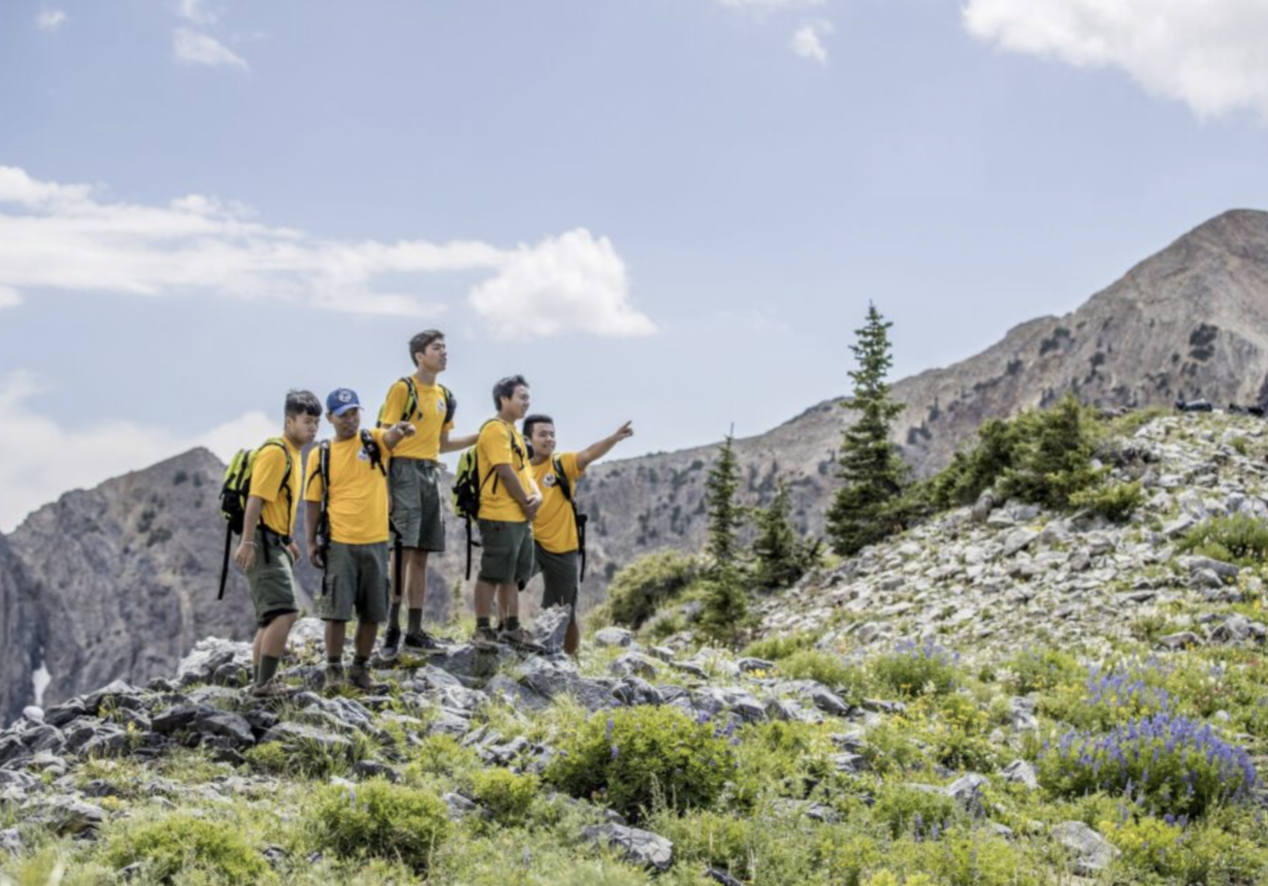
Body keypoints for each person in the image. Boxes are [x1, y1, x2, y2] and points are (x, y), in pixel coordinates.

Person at [304, 388, 415, 690]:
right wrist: (311, 541)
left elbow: (391, 436)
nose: (350, 420)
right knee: (336, 612)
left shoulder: (373, 439)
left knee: (373, 611)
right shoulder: (320, 454)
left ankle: (360, 669)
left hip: (378, 542)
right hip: (340, 542)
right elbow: (312, 501)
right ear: (330, 418)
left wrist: (400, 429)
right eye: (343, 415)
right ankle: (333, 671)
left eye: (354, 413)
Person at [377, 330, 477, 658]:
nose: (444, 353)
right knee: (401, 552)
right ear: (420, 355)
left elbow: (443, 444)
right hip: (403, 471)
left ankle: (415, 631)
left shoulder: (445, 395)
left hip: (431, 472)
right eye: (437, 348)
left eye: (445, 348)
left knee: (421, 554)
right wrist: (387, 489)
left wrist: (480, 436)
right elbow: (386, 439)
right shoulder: (402, 389)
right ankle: (392, 627)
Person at [234, 389, 322, 698]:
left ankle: (261, 681)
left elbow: (278, 503)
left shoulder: (293, 453)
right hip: (262, 542)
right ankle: (264, 685)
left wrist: (289, 540)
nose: (313, 428)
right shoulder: (276, 452)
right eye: (307, 421)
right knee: (285, 612)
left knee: (271, 616)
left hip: (274, 541)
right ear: (289, 421)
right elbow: (256, 499)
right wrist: (248, 541)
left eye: (316, 423)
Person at [525, 416, 634, 656]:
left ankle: (571, 661)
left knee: (566, 610)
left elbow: (589, 454)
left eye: (552, 434)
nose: (549, 439)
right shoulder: (519, 470)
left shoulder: (561, 463)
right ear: (528, 439)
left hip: (564, 548)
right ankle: (504, 634)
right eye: (542, 434)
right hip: (531, 544)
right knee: (506, 580)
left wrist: (614, 439)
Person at [472, 375, 540, 647]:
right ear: (504, 399)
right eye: (522, 397)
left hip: (520, 517)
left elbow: (525, 472)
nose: (527, 402)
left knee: (511, 574)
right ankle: (482, 629)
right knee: (491, 572)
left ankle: (511, 627)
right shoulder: (495, 429)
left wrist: (536, 496)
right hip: (499, 514)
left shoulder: (515, 434)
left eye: (527, 397)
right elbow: (504, 471)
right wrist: (526, 501)